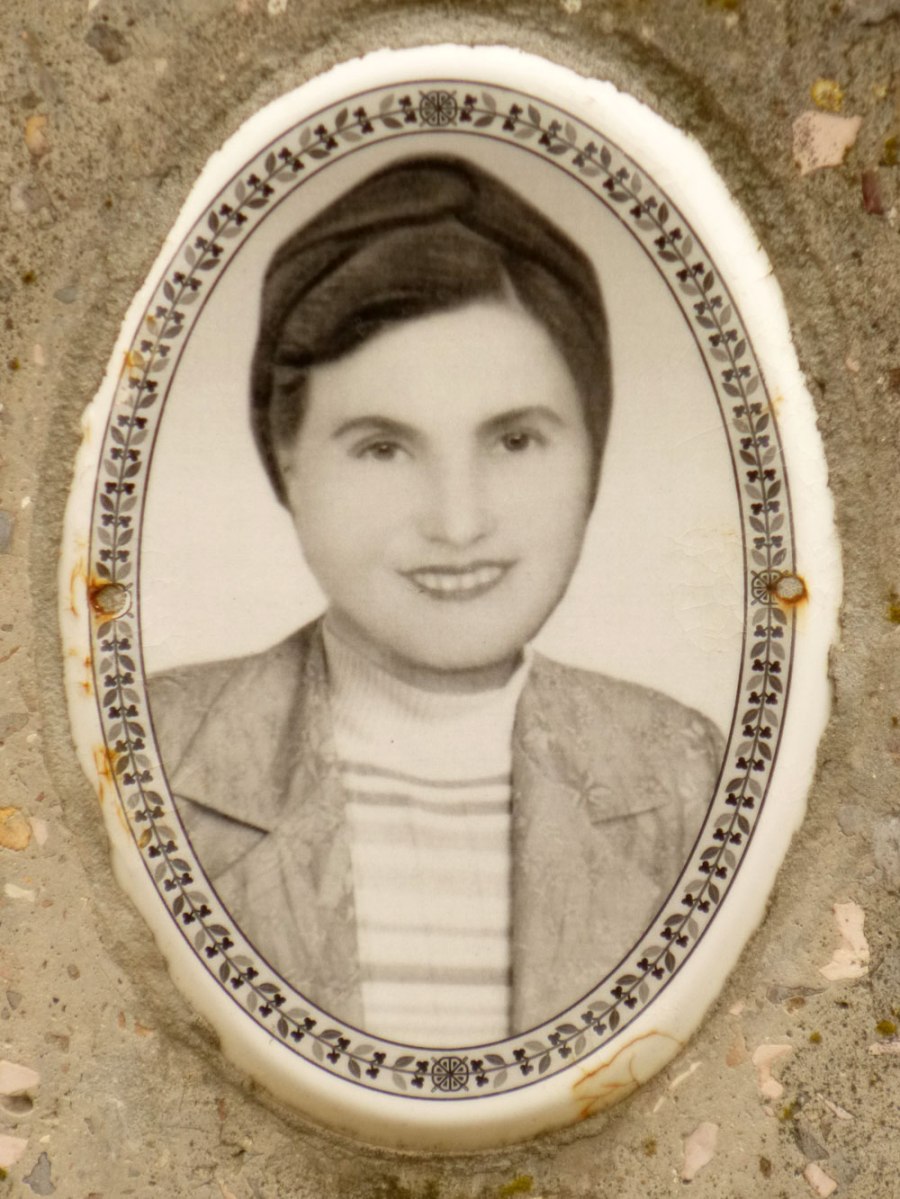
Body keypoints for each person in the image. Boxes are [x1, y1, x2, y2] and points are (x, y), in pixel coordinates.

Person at [149, 155, 723, 1047]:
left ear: (592, 452)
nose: (458, 522)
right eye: (383, 448)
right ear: (287, 460)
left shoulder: (686, 773)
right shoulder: (151, 751)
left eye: (517, 439)